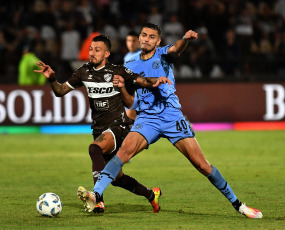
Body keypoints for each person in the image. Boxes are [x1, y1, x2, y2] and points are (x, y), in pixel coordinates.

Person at [85, 23, 263, 219]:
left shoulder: (163, 55)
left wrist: (185, 40)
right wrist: (122, 88)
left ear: (158, 41)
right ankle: (96, 194)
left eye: (151, 37)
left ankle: (238, 205)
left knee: (202, 166)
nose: (146, 39)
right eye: (144, 35)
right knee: (123, 154)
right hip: (147, 118)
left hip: (171, 117)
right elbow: (130, 102)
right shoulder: (130, 66)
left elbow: (176, 49)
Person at [34, 35, 172, 213]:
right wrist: (52, 78)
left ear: (106, 53)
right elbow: (60, 91)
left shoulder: (117, 71)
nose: (92, 52)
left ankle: (97, 200)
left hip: (119, 126)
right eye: (91, 49)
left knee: (94, 149)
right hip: (99, 129)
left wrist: (157, 80)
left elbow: (142, 80)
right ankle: (152, 195)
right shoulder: (83, 72)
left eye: (97, 50)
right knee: (117, 179)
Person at [123, 31, 141, 120]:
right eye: (129, 40)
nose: (131, 43)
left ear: (139, 42)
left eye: (134, 40)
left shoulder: (143, 54)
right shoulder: (127, 56)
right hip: (131, 91)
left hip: (141, 91)